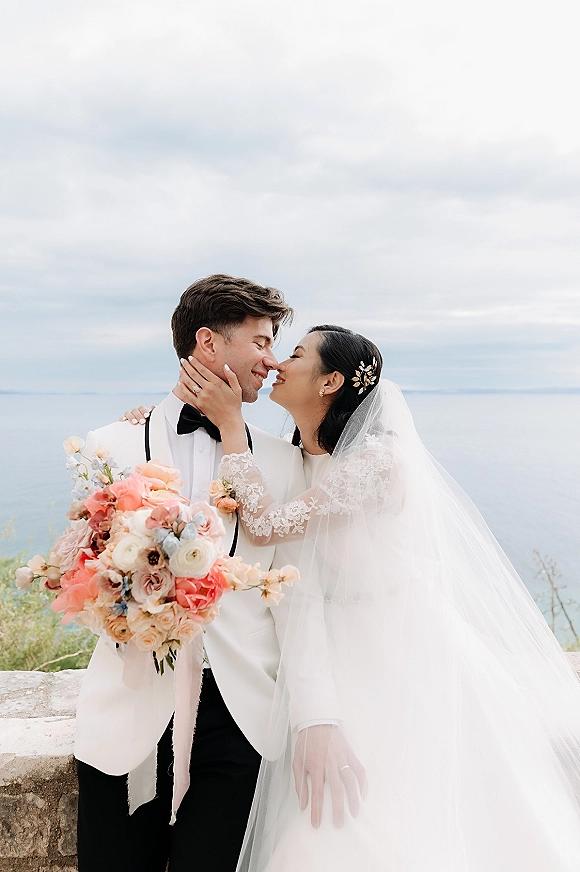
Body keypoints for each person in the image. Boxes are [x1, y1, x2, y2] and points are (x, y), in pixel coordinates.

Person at [157, 323, 580, 871]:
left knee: (401, 819)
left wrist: (233, 426)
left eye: (297, 354)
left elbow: (264, 524)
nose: (280, 364)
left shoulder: (381, 462)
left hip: (402, 653)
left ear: (331, 380)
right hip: (333, 655)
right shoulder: (301, 459)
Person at [74, 275, 348, 872]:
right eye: (261, 341)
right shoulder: (109, 446)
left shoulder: (284, 463)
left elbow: (300, 601)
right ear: (208, 343)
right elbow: (79, 569)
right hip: (129, 707)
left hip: (238, 717)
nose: (272, 361)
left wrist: (318, 715)